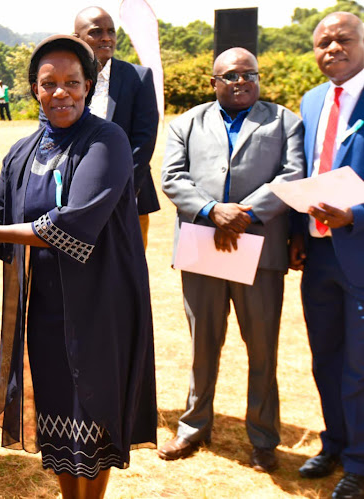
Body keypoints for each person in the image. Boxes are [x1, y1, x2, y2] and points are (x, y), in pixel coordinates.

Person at [0, 35, 156, 498]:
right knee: (58, 414)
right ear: (34, 89)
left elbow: (72, 224)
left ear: (89, 85)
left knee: (93, 415)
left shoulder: (106, 140)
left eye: (72, 82)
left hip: (100, 305)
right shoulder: (22, 153)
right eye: (50, 83)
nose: (61, 92)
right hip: (43, 310)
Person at [159, 47, 304, 471]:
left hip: (259, 250)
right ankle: (193, 426)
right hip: (203, 245)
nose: (241, 81)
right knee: (203, 343)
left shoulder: (284, 121)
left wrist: (243, 213)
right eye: (230, 76)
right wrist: (211, 210)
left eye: (248, 74)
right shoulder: (185, 123)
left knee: (262, 349)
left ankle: (263, 437)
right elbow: (172, 177)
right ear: (213, 83)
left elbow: (292, 175)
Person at [289, 12, 364, 498]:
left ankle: (359, 463)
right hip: (317, 256)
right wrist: (298, 231)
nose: (332, 48)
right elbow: (304, 172)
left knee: (361, 365)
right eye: (322, 42)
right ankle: (335, 441)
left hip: (360, 251)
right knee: (325, 359)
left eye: (343, 39)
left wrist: (355, 214)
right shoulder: (311, 101)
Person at [73, 7, 160, 249]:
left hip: (131, 191)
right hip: (74, 193)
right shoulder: (64, 78)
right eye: (96, 32)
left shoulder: (138, 77)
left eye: (111, 31)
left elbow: (144, 140)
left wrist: (121, 189)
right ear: (77, 38)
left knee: (129, 265)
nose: (107, 38)